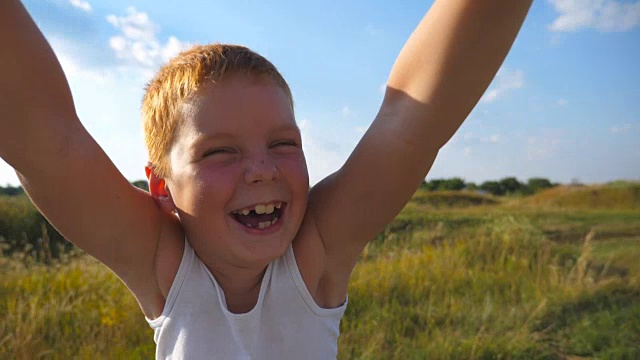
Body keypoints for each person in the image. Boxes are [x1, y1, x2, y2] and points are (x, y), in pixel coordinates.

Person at [0, 0, 533, 358]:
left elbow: (410, 123)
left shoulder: (316, 254)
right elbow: (48, 143)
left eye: (283, 144)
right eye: (220, 152)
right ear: (161, 187)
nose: (262, 169)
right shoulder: (165, 265)